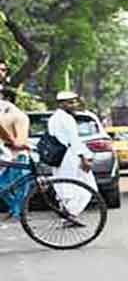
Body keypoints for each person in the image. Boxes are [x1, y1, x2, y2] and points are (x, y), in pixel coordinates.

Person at [48, 91, 97, 219]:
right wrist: (84, 158)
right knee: (88, 186)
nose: (74, 105)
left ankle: (67, 211)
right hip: (69, 157)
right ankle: (71, 213)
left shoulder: (54, 118)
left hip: (58, 157)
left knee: (64, 186)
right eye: (70, 103)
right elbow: (74, 141)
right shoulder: (66, 119)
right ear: (61, 104)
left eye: (75, 102)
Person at [0, 86, 32, 220]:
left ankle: (17, 211)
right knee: (11, 186)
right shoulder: (10, 115)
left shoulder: (17, 116)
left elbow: (20, 140)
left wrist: (13, 142)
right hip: (10, 155)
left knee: (15, 186)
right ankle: (16, 210)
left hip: (16, 156)